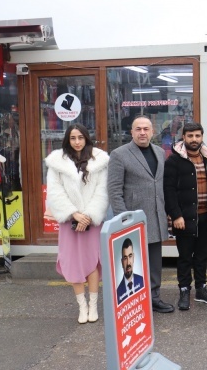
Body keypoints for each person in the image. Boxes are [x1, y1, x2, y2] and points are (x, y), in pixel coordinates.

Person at [108, 115, 175, 313]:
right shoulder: (119, 154)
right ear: (132, 132)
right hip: (133, 218)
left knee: (154, 261)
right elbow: (114, 190)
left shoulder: (160, 152)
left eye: (146, 129)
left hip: (156, 216)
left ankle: (154, 297)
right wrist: (124, 220)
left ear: (152, 132)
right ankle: (134, 300)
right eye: (138, 129)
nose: (143, 132)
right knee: (132, 262)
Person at [45, 124, 109, 324]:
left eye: (80, 137)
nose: (77, 142)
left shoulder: (100, 161)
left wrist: (88, 215)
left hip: (91, 222)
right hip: (69, 222)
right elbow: (55, 193)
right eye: (73, 138)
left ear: (86, 138)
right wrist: (74, 214)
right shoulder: (57, 163)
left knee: (91, 262)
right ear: (67, 140)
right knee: (73, 263)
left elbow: (102, 191)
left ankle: (93, 305)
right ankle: (82, 306)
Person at [163, 123, 207, 310]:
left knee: (202, 256)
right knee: (185, 257)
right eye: (190, 136)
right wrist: (176, 215)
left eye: (197, 136)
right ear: (184, 137)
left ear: (202, 136)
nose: (194, 139)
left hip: (206, 217)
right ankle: (184, 291)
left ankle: (201, 290)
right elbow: (168, 190)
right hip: (184, 219)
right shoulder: (174, 161)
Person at [116, 238, 145, 305]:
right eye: (125, 258)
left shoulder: (142, 281)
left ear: (133, 257)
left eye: (130, 256)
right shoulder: (118, 292)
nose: (128, 263)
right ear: (122, 262)